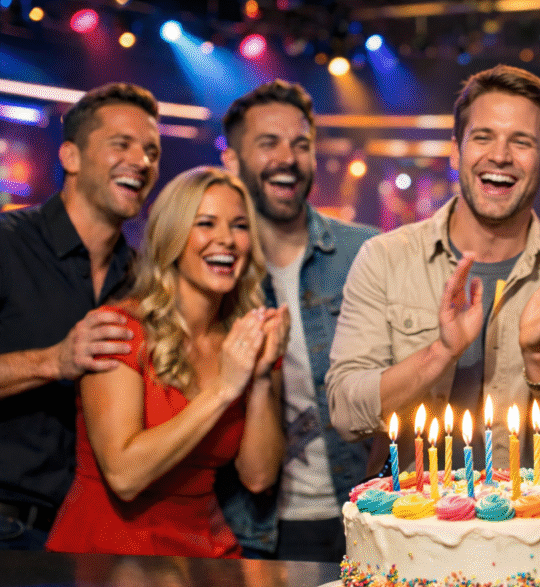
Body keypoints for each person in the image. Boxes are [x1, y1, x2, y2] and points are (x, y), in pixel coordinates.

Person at [325, 64, 540, 473]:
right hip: (415, 525)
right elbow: (345, 410)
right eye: (483, 137)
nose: (499, 156)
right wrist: (440, 354)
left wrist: (539, 356)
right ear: (456, 150)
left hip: (535, 525)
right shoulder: (385, 258)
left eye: (521, 142)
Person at [45, 166, 287, 558]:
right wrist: (225, 388)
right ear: (172, 236)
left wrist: (258, 378)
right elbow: (124, 474)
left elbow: (259, 478)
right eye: (205, 223)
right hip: (108, 556)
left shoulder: (243, 340)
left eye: (240, 226)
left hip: (202, 554)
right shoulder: (121, 330)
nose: (226, 240)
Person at [218, 80, 378, 561]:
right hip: (252, 529)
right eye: (268, 143)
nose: (287, 157)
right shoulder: (211, 267)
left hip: (361, 518)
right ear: (232, 160)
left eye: (301, 144)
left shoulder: (366, 253)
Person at [0, 83, 160, 549]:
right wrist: (53, 361)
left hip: (88, 538)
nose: (142, 161)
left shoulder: (141, 279)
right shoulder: (8, 244)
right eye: (122, 144)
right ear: (70, 157)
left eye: (151, 150)